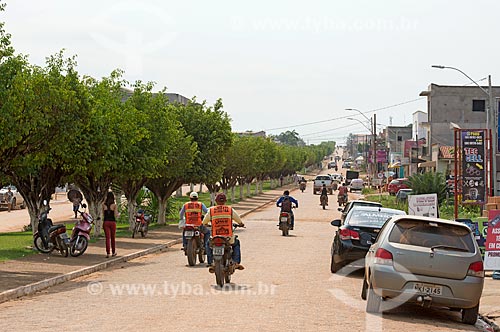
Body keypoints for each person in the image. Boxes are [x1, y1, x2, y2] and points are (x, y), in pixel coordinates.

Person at [203, 193, 245, 272]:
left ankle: (211, 262)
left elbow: (204, 221)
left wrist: (206, 224)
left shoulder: (211, 210)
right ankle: (236, 262)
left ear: (216, 201)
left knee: (208, 244)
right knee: (236, 243)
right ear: (225, 201)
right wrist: (241, 224)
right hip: (228, 237)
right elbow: (238, 219)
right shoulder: (229, 209)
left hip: (215, 237)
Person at [102, 191, 119, 258]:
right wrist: (118, 215)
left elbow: (103, 214)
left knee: (107, 238)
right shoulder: (114, 205)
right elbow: (115, 215)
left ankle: (108, 253)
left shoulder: (103, 205)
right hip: (112, 222)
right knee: (113, 238)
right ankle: (113, 252)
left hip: (106, 222)